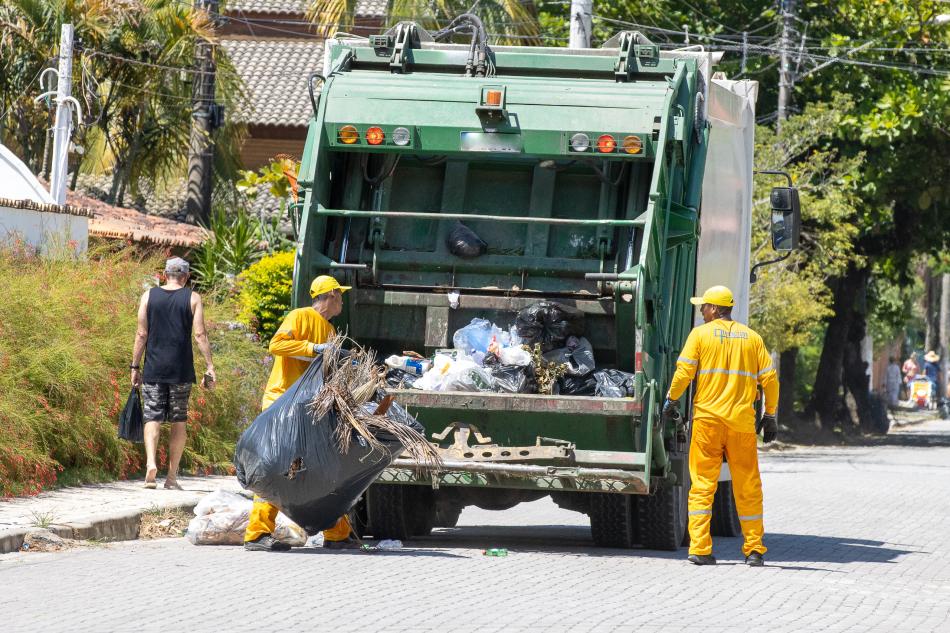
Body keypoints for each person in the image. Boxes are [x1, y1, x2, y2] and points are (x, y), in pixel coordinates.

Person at [663, 285, 778, 567]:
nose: (701, 310)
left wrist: (671, 400)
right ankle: (754, 550)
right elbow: (771, 379)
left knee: (702, 485)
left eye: (704, 306)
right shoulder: (752, 338)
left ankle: (700, 549)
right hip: (741, 424)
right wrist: (770, 414)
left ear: (715, 309)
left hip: (707, 422)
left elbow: (684, 372)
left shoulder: (700, 335)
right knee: (748, 485)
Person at [244, 275, 358, 552]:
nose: (342, 300)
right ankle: (257, 533)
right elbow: (277, 345)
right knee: (275, 468)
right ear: (329, 295)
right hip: (281, 402)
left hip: (305, 407)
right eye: (339, 295)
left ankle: (337, 532)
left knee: (318, 467)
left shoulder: (330, 330)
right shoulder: (300, 316)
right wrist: (313, 349)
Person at [131, 257, 215, 490]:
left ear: (164, 274)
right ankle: (171, 478)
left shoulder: (148, 296)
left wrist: (134, 366)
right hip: (180, 370)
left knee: (152, 416)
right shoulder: (193, 298)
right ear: (186, 277)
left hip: (154, 369)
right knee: (179, 421)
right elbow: (199, 335)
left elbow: (141, 334)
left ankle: (150, 463)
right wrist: (209, 365)